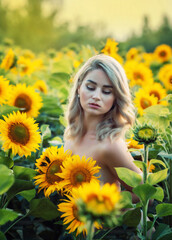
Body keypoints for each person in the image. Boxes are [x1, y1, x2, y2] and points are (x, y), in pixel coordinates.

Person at [63, 54, 142, 203]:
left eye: (106, 91)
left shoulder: (110, 145)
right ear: (79, 88)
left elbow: (145, 196)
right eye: (91, 87)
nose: (96, 96)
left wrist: (99, 204)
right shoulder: (71, 134)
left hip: (109, 225)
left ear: (115, 99)